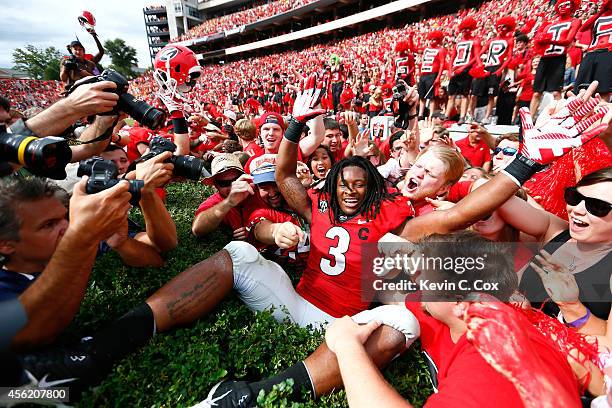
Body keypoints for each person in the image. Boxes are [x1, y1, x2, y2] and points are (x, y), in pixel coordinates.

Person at [325, 232, 583, 408]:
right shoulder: (457, 312)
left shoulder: (495, 363)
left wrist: (348, 345)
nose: (418, 281)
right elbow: (394, 295)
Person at [530, 0, 582, 116]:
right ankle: (527, 122)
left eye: (567, 5)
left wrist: (549, 41)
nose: (563, 7)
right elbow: (539, 43)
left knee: (556, 92)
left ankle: (555, 120)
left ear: (572, 7)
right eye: (561, 5)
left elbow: (568, 41)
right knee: (536, 93)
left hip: (559, 58)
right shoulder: (549, 24)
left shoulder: (575, 21)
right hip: (545, 58)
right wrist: (539, 41)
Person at [192, 154, 260, 241]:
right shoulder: (215, 202)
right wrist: (229, 202)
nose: (233, 187)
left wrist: (257, 230)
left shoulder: (258, 189)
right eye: (224, 183)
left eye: (236, 180)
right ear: (216, 185)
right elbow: (197, 229)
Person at [446, 17, 481, 124]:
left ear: (471, 29)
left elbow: (476, 56)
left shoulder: (475, 40)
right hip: (456, 69)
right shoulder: (458, 42)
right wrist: (450, 69)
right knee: (451, 95)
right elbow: (452, 57)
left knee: (464, 94)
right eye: (463, 29)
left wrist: (464, 67)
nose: (465, 31)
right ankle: (446, 115)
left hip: (466, 70)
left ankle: (462, 116)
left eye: (467, 29)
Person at [417, 30, 447, 119]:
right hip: (423, 74)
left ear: (438, 40)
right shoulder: (426, 49)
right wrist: (410, 38)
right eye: (430, 39)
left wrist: (438, 77)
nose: (432, 41)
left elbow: (442, 63)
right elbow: (414, 49)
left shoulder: (440, 50)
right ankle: (420, 114)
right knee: (422, 96)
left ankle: (431, 115)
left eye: (434, 40)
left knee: (432, 97)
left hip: (432, 74)